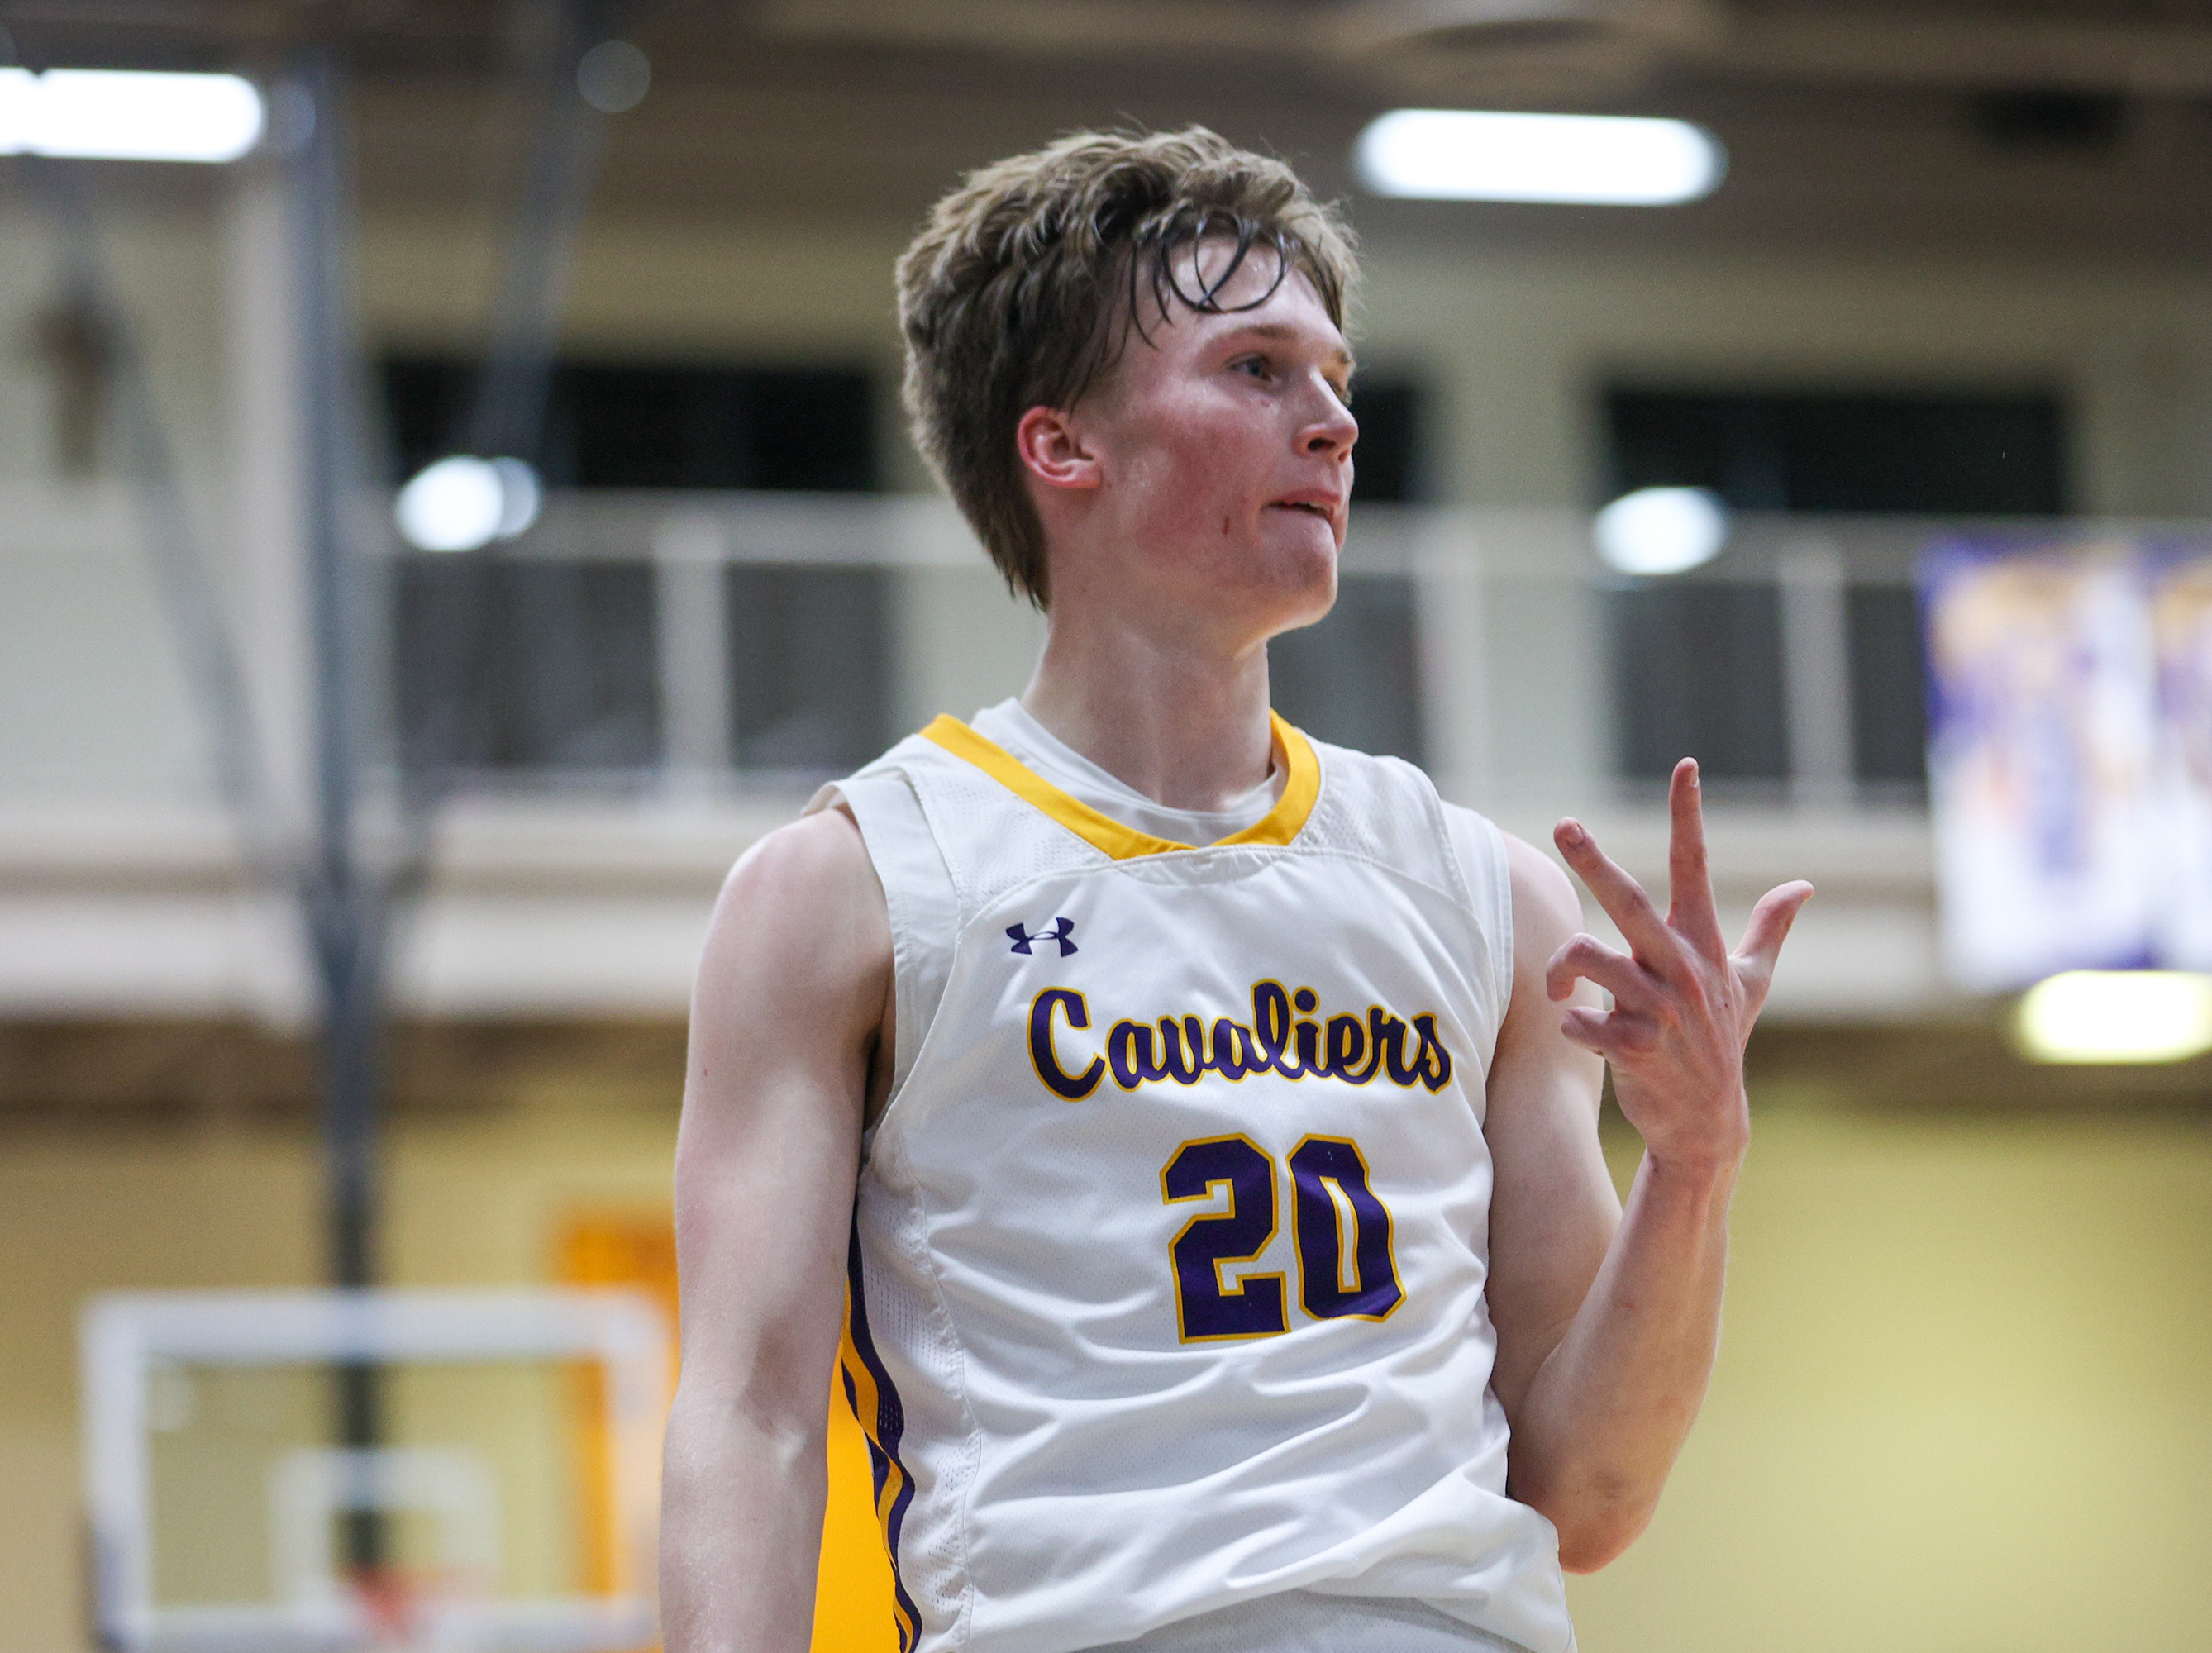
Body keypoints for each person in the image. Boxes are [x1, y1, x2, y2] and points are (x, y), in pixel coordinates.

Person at [660, 127, 1810, 1653]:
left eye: (1335, 378)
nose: (1332, 422)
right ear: (1062, 444)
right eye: (1257, 371)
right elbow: (749, 1421)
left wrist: (1698, 1163)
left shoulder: (1484, 895)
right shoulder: (855, 889)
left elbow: (1588, 1496)